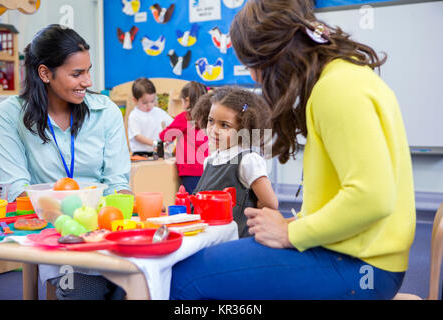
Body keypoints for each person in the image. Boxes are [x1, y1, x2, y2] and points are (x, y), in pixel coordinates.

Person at [170, 0, 416, 300]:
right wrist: (296, 223)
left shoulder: (336, 88)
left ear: (275, 54)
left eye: (253, 66)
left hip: (362, 266)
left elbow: (373, 197)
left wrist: (290, 233)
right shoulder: (346, 76)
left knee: (183, 279)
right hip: (363, 258)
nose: (253, 77)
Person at [0, 24, 130, 299]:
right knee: (81, 292)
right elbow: (17, 188)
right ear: (45, 73)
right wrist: (67, 218)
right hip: (56, 237)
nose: (88, 82)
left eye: (88, 70)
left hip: (106, 233)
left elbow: (118, 183)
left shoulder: (106, 112)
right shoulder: (9, 115)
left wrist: (123, 213)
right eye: (77, 73)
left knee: (141, 288)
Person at [190, 86, 278, 238]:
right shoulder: (210, 160)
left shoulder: (247, 160)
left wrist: (248, 214)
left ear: (244, 128)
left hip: (236, 243)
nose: (214, 130)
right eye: (211, 121)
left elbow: (270, 203)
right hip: (210, 240)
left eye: (224, 125)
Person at [159, 81, 209, 194]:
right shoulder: (207, 118)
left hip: (190, 170)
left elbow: (164, 137)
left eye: (181, 101)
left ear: (187, 100)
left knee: (192, 201)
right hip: (206, 169)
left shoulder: (184, 117)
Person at [127, 77, 173, 156]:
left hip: (157, 152)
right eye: (144, 103)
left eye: (152, 101)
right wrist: (155, 143)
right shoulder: (134, 116)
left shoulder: (158, 112)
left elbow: (172, 123)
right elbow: (137, 136)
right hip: (140, 153)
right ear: (135, 100)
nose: (149, 105)